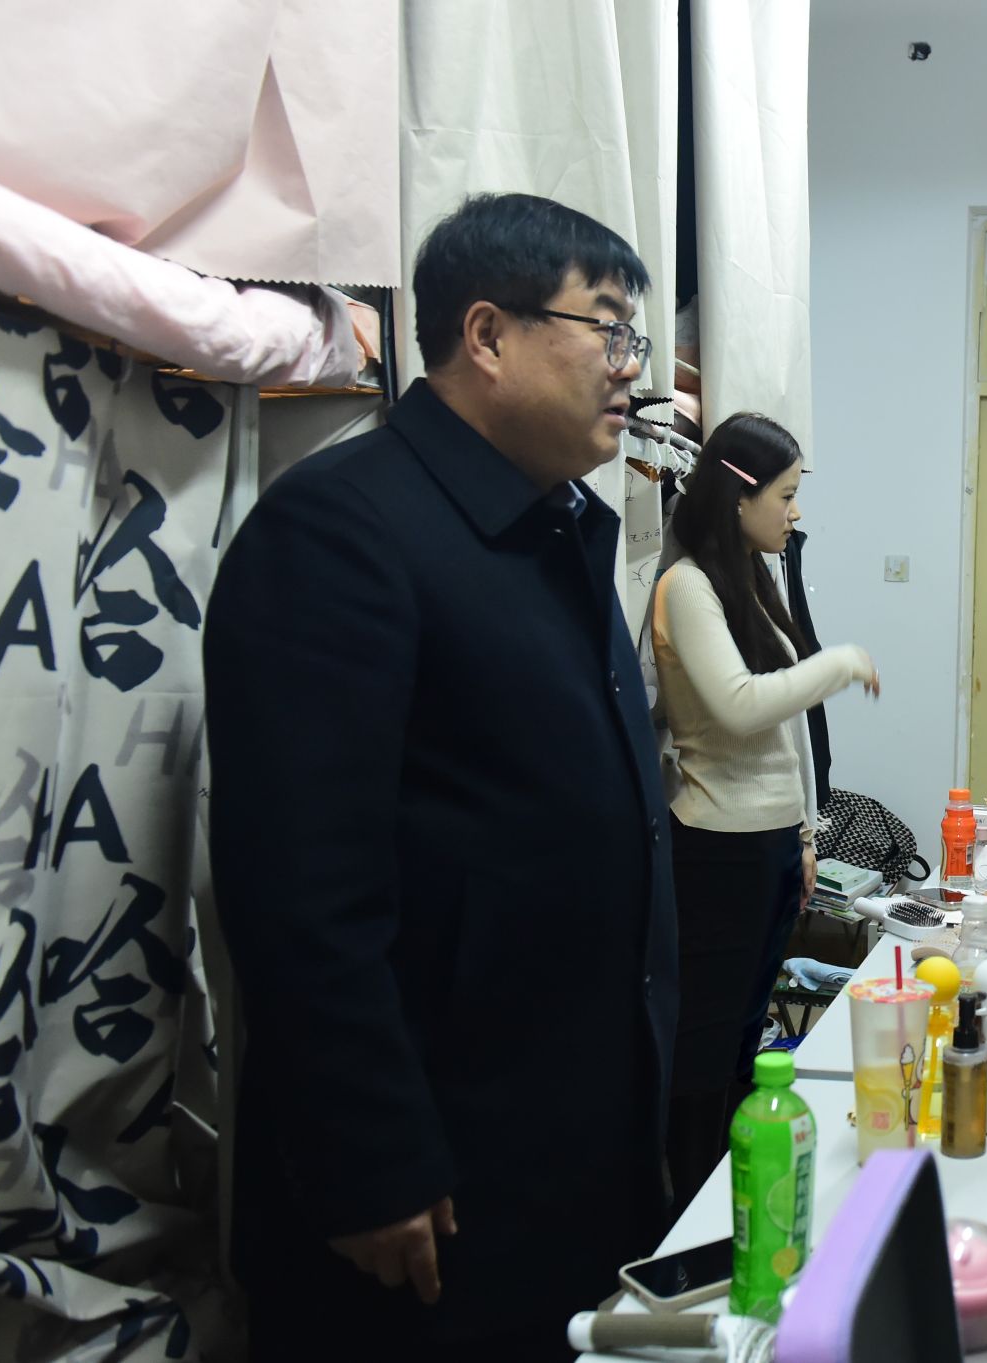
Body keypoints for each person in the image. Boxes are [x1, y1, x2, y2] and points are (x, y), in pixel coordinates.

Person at [204, 193, 678, 1361]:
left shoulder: (553, 526)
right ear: (487, 334)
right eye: (607, 329)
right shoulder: (341, 529)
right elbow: (301, 891)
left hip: (558, 1143)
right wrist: (368, 1157)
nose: (632, 368)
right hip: (429, 1179)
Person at [650, 414, 879, 1210]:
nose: (795, 511)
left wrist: (806, 834)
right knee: (707, 1050)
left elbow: (784, 734)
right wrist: (838, 663)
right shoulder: (686, 587)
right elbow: (743, 706)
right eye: (785, 495)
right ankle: (691, 1210)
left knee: (747, 1037)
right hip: (717, 848)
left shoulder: (748, 575)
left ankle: (737, 1195)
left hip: (770, 845)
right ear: (738, 495)